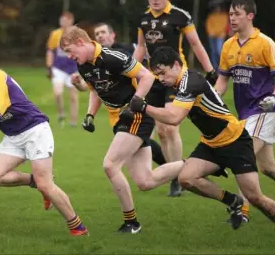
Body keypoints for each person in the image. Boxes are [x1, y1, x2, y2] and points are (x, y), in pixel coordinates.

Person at [128, 45, 275, 241]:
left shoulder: (191, 82)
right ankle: (233, 201)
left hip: (235, 142)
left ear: (175, 65)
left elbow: (174, 118)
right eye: (158, 75)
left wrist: (144, 108)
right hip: (211, 143)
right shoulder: (178, 82)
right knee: (186, 179)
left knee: (256, 197)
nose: (162, 79)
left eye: (163, 73)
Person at [0, 43, 89, 237]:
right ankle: (34, 181)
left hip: (35, 131)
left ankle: (77, 227)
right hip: (13, 135)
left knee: (47, 186)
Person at [60, 26, 185, 233]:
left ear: (81, 42)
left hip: (135, 115)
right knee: (146, 181)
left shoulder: (113, 57)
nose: (69, 56)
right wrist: (90, 115)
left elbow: (147, 76)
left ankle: (131, 222)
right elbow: (96, 91)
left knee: (110, 165)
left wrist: (133, 105)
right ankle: (199, 164)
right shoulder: (83, 65)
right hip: (118, 120)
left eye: (70, 50)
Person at [133, 0, 218, 197]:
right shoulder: (143, 19)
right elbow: (141, 48)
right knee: (160, 131)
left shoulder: (180, 16)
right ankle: (176, 173)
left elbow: (195, 43)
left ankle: (178, 178)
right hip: (153, 78)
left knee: (169, 127)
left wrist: (210, 70)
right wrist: (131, 72)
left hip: (175, 77)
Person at [215, 0, 275, 223]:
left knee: (243, 154)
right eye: (230, 14)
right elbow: (222, 80)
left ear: (250, 16)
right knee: (268, 167)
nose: (232, 18)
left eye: (236, 14)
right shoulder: (228, 45)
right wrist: (214, 97)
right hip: (244, 114)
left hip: (264, 111)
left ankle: (242, 211)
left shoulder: (265, 43)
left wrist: (274, 96)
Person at [93, 22, 167, 166]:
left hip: (140, 98)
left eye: (103, 32)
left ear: (112, 35)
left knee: (149, 137)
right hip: (122, 109)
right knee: (143, 142)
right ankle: (176, 169)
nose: (100, 36)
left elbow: (147, 56)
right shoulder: (97, 60)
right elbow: (94, 87)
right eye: (97, 34)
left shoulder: (126, 49)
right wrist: (78, 83)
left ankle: (177, 170)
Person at [46, 11, 79, 127]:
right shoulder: (55, 34)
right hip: (58, 68)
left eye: (65, 20)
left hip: (73, 69)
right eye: (61, 20)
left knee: (73, 96)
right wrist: (49, 67)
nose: (63, 22)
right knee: (57, 92)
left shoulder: (76, 35)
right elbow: (50, 51)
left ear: (71, 21)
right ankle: (61, 114)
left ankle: (73, 122)